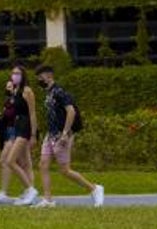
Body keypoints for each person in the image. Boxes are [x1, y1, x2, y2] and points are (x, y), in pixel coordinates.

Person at [34, 65, 104, 209]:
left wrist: (65, 134)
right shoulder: (49, 93)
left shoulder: (59, 92)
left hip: (62, 135)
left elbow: (71, 111)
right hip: (51, 134)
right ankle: (48, 199)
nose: (39, 81)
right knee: (43, 164)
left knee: (64, 170)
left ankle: (94, 189)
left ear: (49, 76)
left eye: (40, 78)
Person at [0, 62, 39, 206]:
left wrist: (33, 134)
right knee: (24, 162)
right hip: (17, 126)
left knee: (10, 161)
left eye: (17, 73)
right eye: (13, 73)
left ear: (23, 75)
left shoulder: (27, 91)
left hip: (25, 127)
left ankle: (31, 190)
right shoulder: (16, 91)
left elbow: (32, 113)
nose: (14, 76)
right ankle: (28, 191)